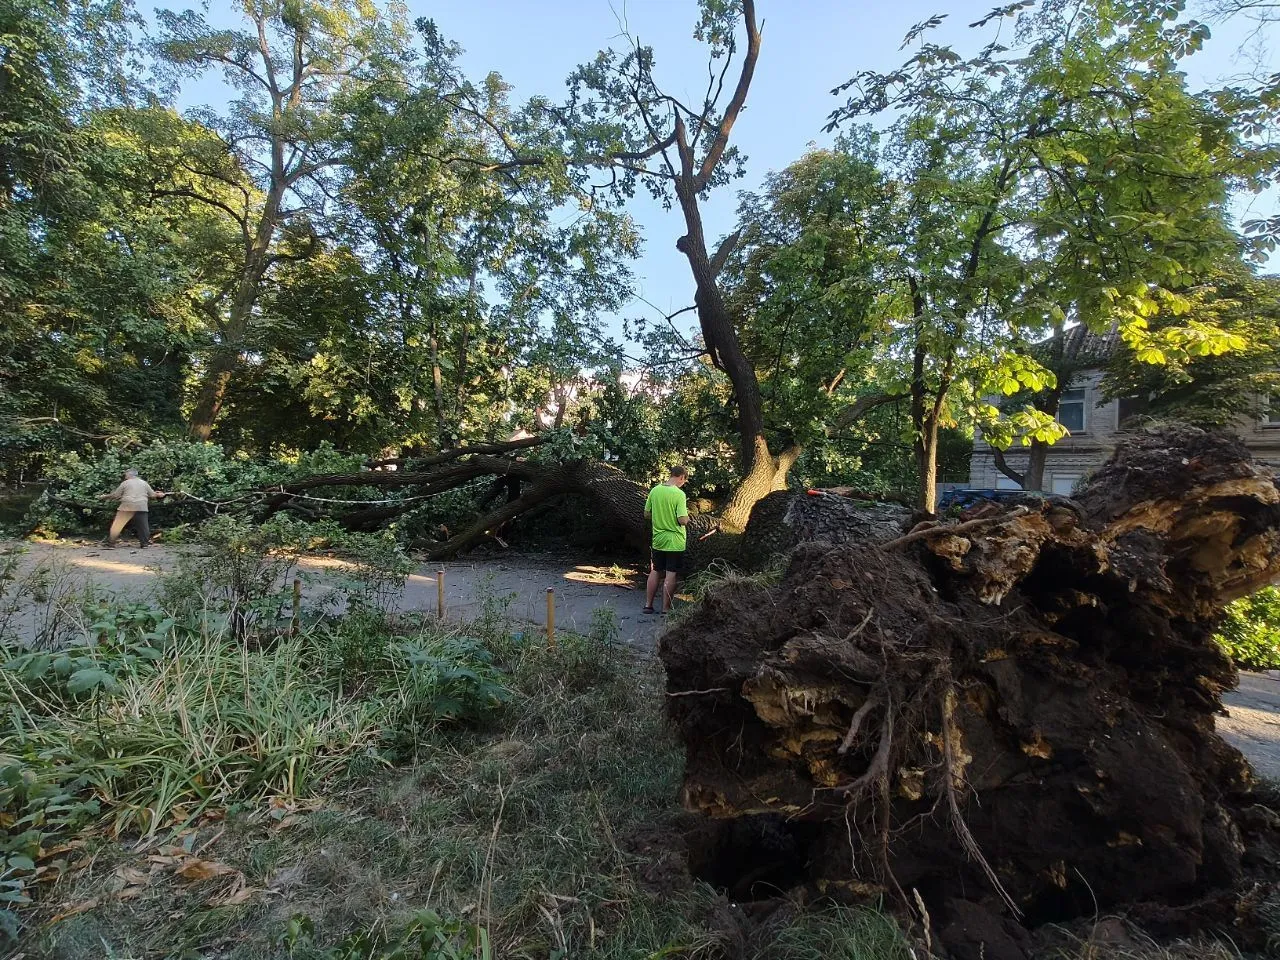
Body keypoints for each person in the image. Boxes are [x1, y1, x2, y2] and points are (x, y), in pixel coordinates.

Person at [643, 465, 689, 615]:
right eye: (684, 480)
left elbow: (646, 514)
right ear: (681, 477)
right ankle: (665, 609)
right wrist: (687, 518)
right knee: (671, 573)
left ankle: (648, 605)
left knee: (655, 570)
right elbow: (682, 519)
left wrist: (660, 517)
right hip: (675, 540)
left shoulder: (655, 490)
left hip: (658, 538)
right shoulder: (679, 494)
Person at [100, 469, 166, 549]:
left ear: (129, 475)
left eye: (126, 474)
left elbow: (116, 495)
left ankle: (111, 544)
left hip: (126, 506)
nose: (125, 476)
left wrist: (105, 497)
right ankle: (144, 544)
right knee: (143, 526)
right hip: (141, 506)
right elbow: (152, 495)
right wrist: (159, 494)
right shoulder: (144, 483)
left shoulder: (125, 483)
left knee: (117, 526)